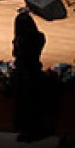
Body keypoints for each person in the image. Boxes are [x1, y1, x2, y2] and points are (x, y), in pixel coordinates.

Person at [12, 9, 48, 141]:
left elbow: (17, 55)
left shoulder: (20, 41)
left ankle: (26, 131)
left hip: (23, 74)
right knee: (35, 103)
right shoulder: (40, 37)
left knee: (24, 103)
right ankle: (36, 129)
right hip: (35, 71)